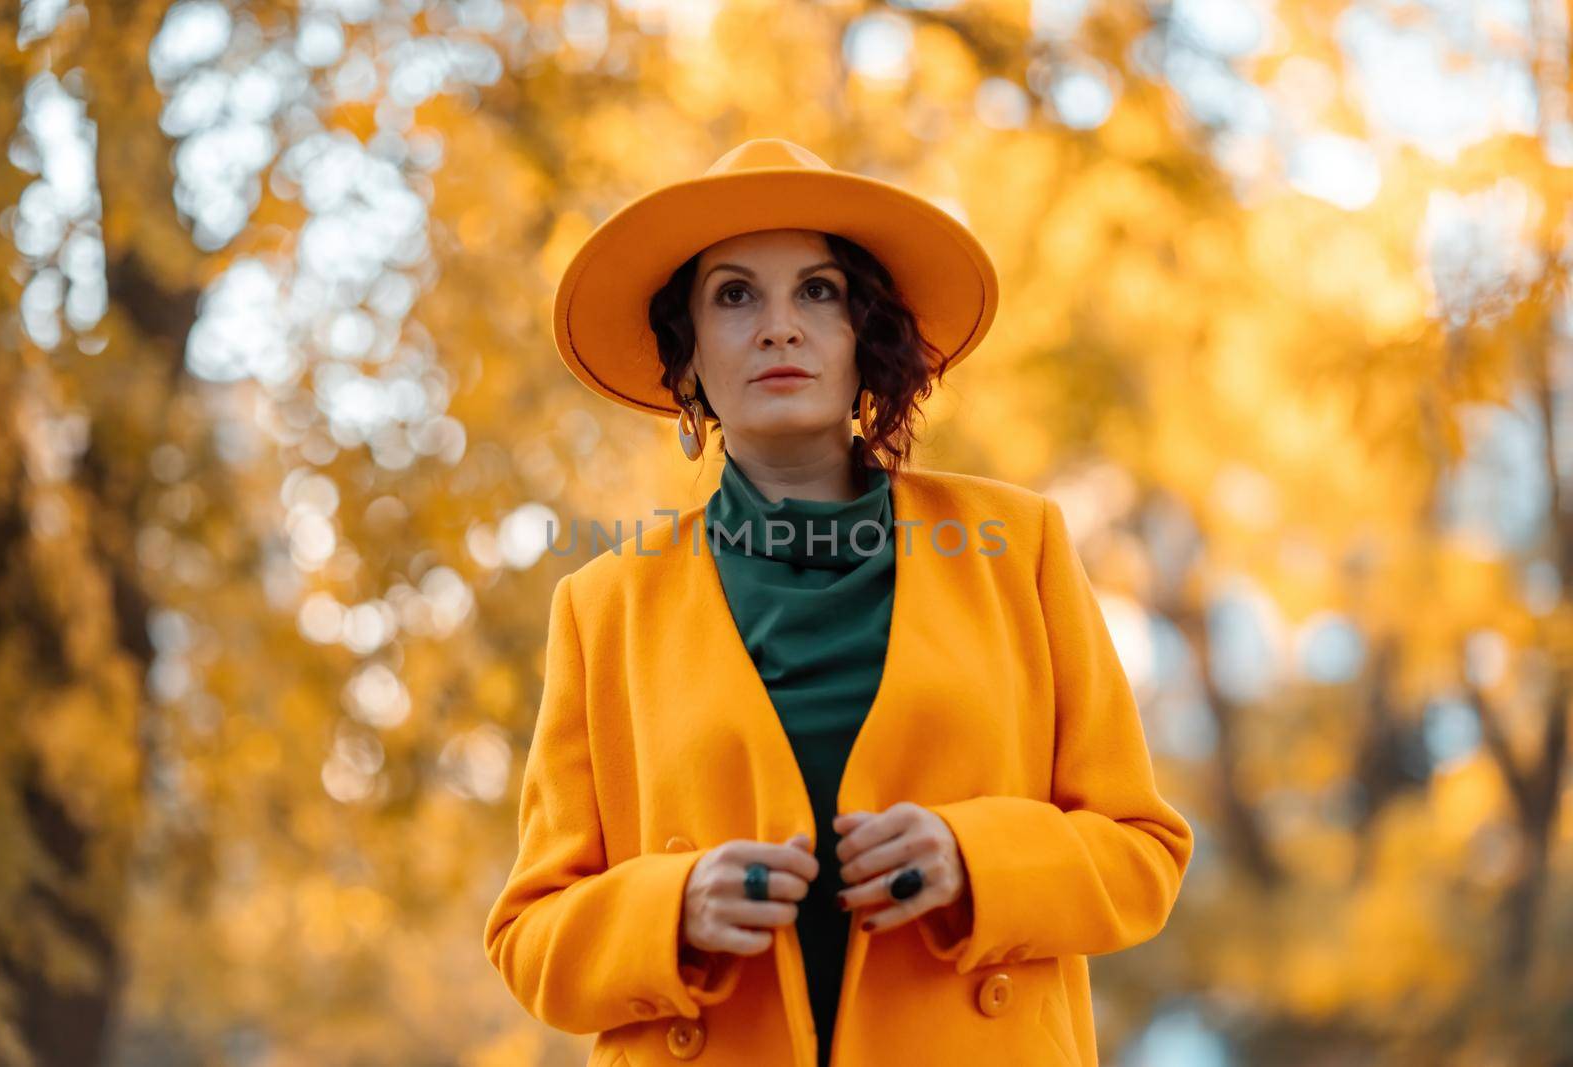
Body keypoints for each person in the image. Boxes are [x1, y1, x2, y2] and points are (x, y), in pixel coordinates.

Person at [484, 138, 1194, 1067]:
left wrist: (973, 859)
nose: (780, 326)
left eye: (818, 291)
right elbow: (528, 937)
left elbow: (1143, 855)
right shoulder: (602, 606)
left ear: (868, 337)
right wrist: (673, 908)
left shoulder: (1019, 547)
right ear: (687, 357)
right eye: (734, 295)